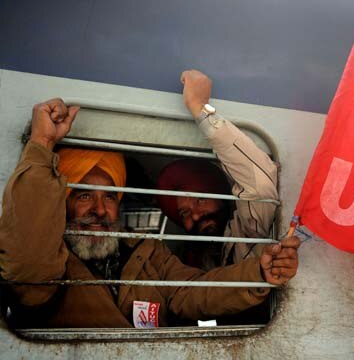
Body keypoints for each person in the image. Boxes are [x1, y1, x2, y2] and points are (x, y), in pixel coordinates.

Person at [0, 97, 300, 328]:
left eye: (110, 197)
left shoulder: (148, 252)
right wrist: (42, 144)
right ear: (63, 203)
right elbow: (27, 263)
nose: (100, 210)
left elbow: (190, 292)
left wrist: (259, 273)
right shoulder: (51, 259)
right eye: (84, 195)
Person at [156, 69, 278, 272]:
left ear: (220, 193)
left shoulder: (246, 233)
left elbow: (259, 188)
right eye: (184, 212)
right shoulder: (194, 264)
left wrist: (200, 108)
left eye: (201, 199)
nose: (195, 216)